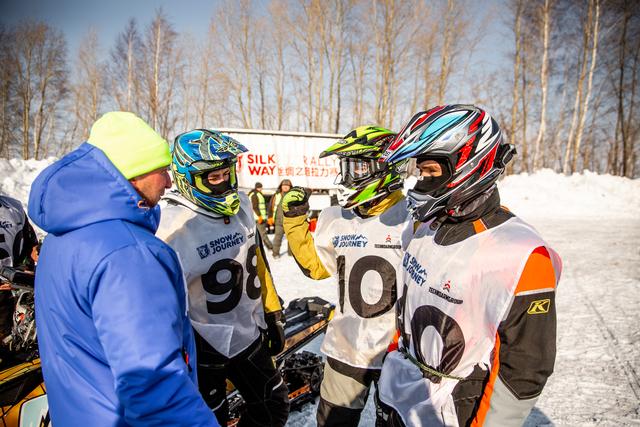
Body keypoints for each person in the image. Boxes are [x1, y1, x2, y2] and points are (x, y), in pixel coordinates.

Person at [28, 112, 219, 426]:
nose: (169, 182)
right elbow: (154, 385)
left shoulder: (63, 236)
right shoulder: (129, 254)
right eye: (163, 171)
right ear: (134, 173)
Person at [376, 104, 562, 427]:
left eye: (430, 172)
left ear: (466, 166)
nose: (421, 181)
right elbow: (405, 310)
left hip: (453, 412)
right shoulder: (425, 228)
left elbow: (525, 370)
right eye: (420, 173)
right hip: (400, 397)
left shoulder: (522, 255)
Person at [157, 129, 289, 427]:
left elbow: (259, 260)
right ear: (187, 179)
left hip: (248, 330)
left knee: (273, 406)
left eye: (227, 173)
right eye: (213, 178)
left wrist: (272, 311)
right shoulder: (170, 227)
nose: (224, 183)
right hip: (203, 343)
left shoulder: (242, 204)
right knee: (209, 420)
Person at [281, 126, 411, 426]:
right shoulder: (336, 217)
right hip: (346, 345)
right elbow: (316, 266)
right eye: (346, 166)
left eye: (358, 167)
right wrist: (294, 222)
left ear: (386, 166)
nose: (348, 176)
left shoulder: (413, 217)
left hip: (397, 352)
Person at [0, 195, 38, 349]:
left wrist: (24, 274)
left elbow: (31, 247)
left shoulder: (14, 207)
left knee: (15, 347)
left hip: (11, 292)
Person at [269, 178, 293, 258]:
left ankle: (291, 253)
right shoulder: (276, 195)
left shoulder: (293, 195)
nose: (285, 187)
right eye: (284, 185)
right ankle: (275, 253)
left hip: (290, 221)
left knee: (291, 238)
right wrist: (270, 217)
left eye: (287, 185)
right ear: (281, 186)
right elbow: (271, 207)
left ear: (290, 187)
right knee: (277, 238)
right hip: (278, 221)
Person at [248, 182, 273, 252]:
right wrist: (259, 216)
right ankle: (270, 247)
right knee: (263, 233)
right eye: (260, 187)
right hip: (258, 218)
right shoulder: (255, 195)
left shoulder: (254, 194)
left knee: (258, 234)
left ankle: (263, 247)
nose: (261, 189)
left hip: (257, 218)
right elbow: (255, 206)